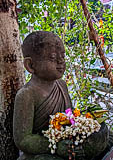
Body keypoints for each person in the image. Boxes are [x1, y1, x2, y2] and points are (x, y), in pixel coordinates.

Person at [13, 31, 72, 160]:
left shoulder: (62, 85)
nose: (61, 61)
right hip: (39, 154)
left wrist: (79, 130)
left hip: (66, 144)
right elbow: (23, 140)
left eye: (63, 56)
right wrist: (55, 145)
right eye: (52, 57)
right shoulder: (27, 94)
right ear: (30, 65)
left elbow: (69, 115)